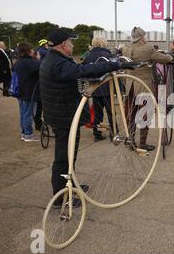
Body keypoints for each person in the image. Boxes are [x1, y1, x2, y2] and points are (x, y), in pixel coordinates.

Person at [40, 28, 136, 201]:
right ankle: (61, 196)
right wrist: (116, 64)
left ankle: (71, 184)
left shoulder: (54, 59)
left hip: (61, 113)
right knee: (64, 157)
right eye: (71, 42)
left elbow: (81, 68)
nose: (72, 44)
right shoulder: (58, 63)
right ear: (63, 44)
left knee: (69, 154)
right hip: (64, 116)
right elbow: (81, 71)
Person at [123, 27, 173, 151]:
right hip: (143, 85)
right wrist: (170, 58)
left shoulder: (126, 48)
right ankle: (143, 143)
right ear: (141, 38)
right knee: (146, 114)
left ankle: (130, 140)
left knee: (131, 114)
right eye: (144, 36)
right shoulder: (147, 48)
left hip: (130, 85)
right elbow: (163, 58)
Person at [82, 36, 116, 142]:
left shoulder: (88, 56)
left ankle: (97, 134)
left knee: (98, 113)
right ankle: (114, 134)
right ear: (104, 43)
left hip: (95, 89)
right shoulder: (108, 55)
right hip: (107, 88)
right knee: (111, 112)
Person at [12, 42, 41, 142]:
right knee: (28, 114)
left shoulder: (18, 62)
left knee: (23, 113)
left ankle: (24, 133)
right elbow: (41, 66)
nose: (34, 51)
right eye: (32, 50)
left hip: (20, 92)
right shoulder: (31, 62)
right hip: (29, 93)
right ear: (28, 51)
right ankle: (28, 135)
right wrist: (37, 59)